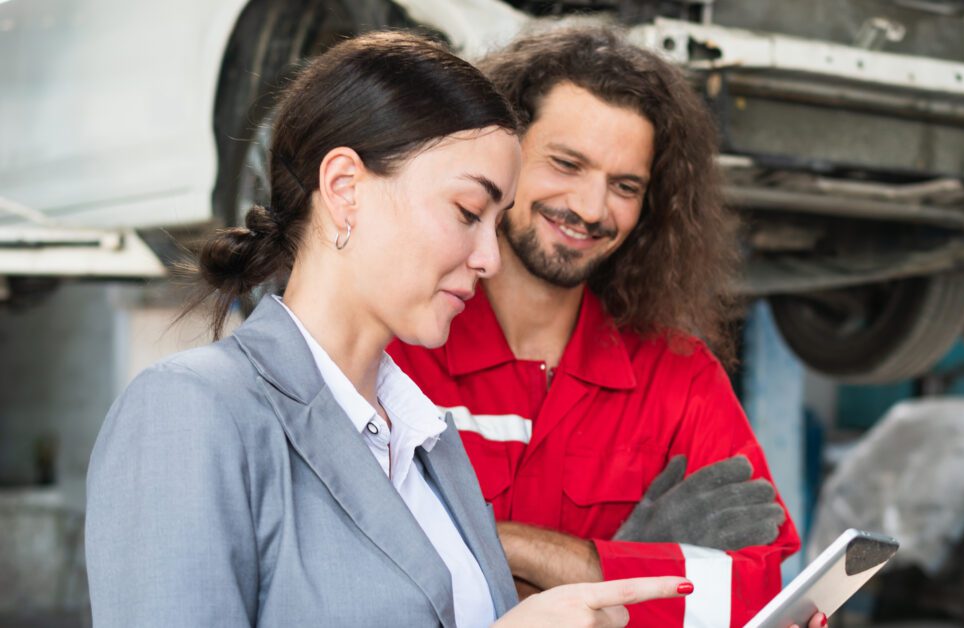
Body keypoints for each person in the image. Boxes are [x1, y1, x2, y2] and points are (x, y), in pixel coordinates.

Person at [84, 31, 693, 628]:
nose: (491, 258)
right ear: (345, 189)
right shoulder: (190, 410)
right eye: (467, 212)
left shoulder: (430, 439)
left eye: (497, 220)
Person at [387, 25, 814, 628]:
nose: (591, 208)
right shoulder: (402, 349)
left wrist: (510, 547)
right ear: (497, 159)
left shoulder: (679, 376)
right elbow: (365, 572)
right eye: (566, 163)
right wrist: (626, 566)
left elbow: (755, 599)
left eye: (624, 186)